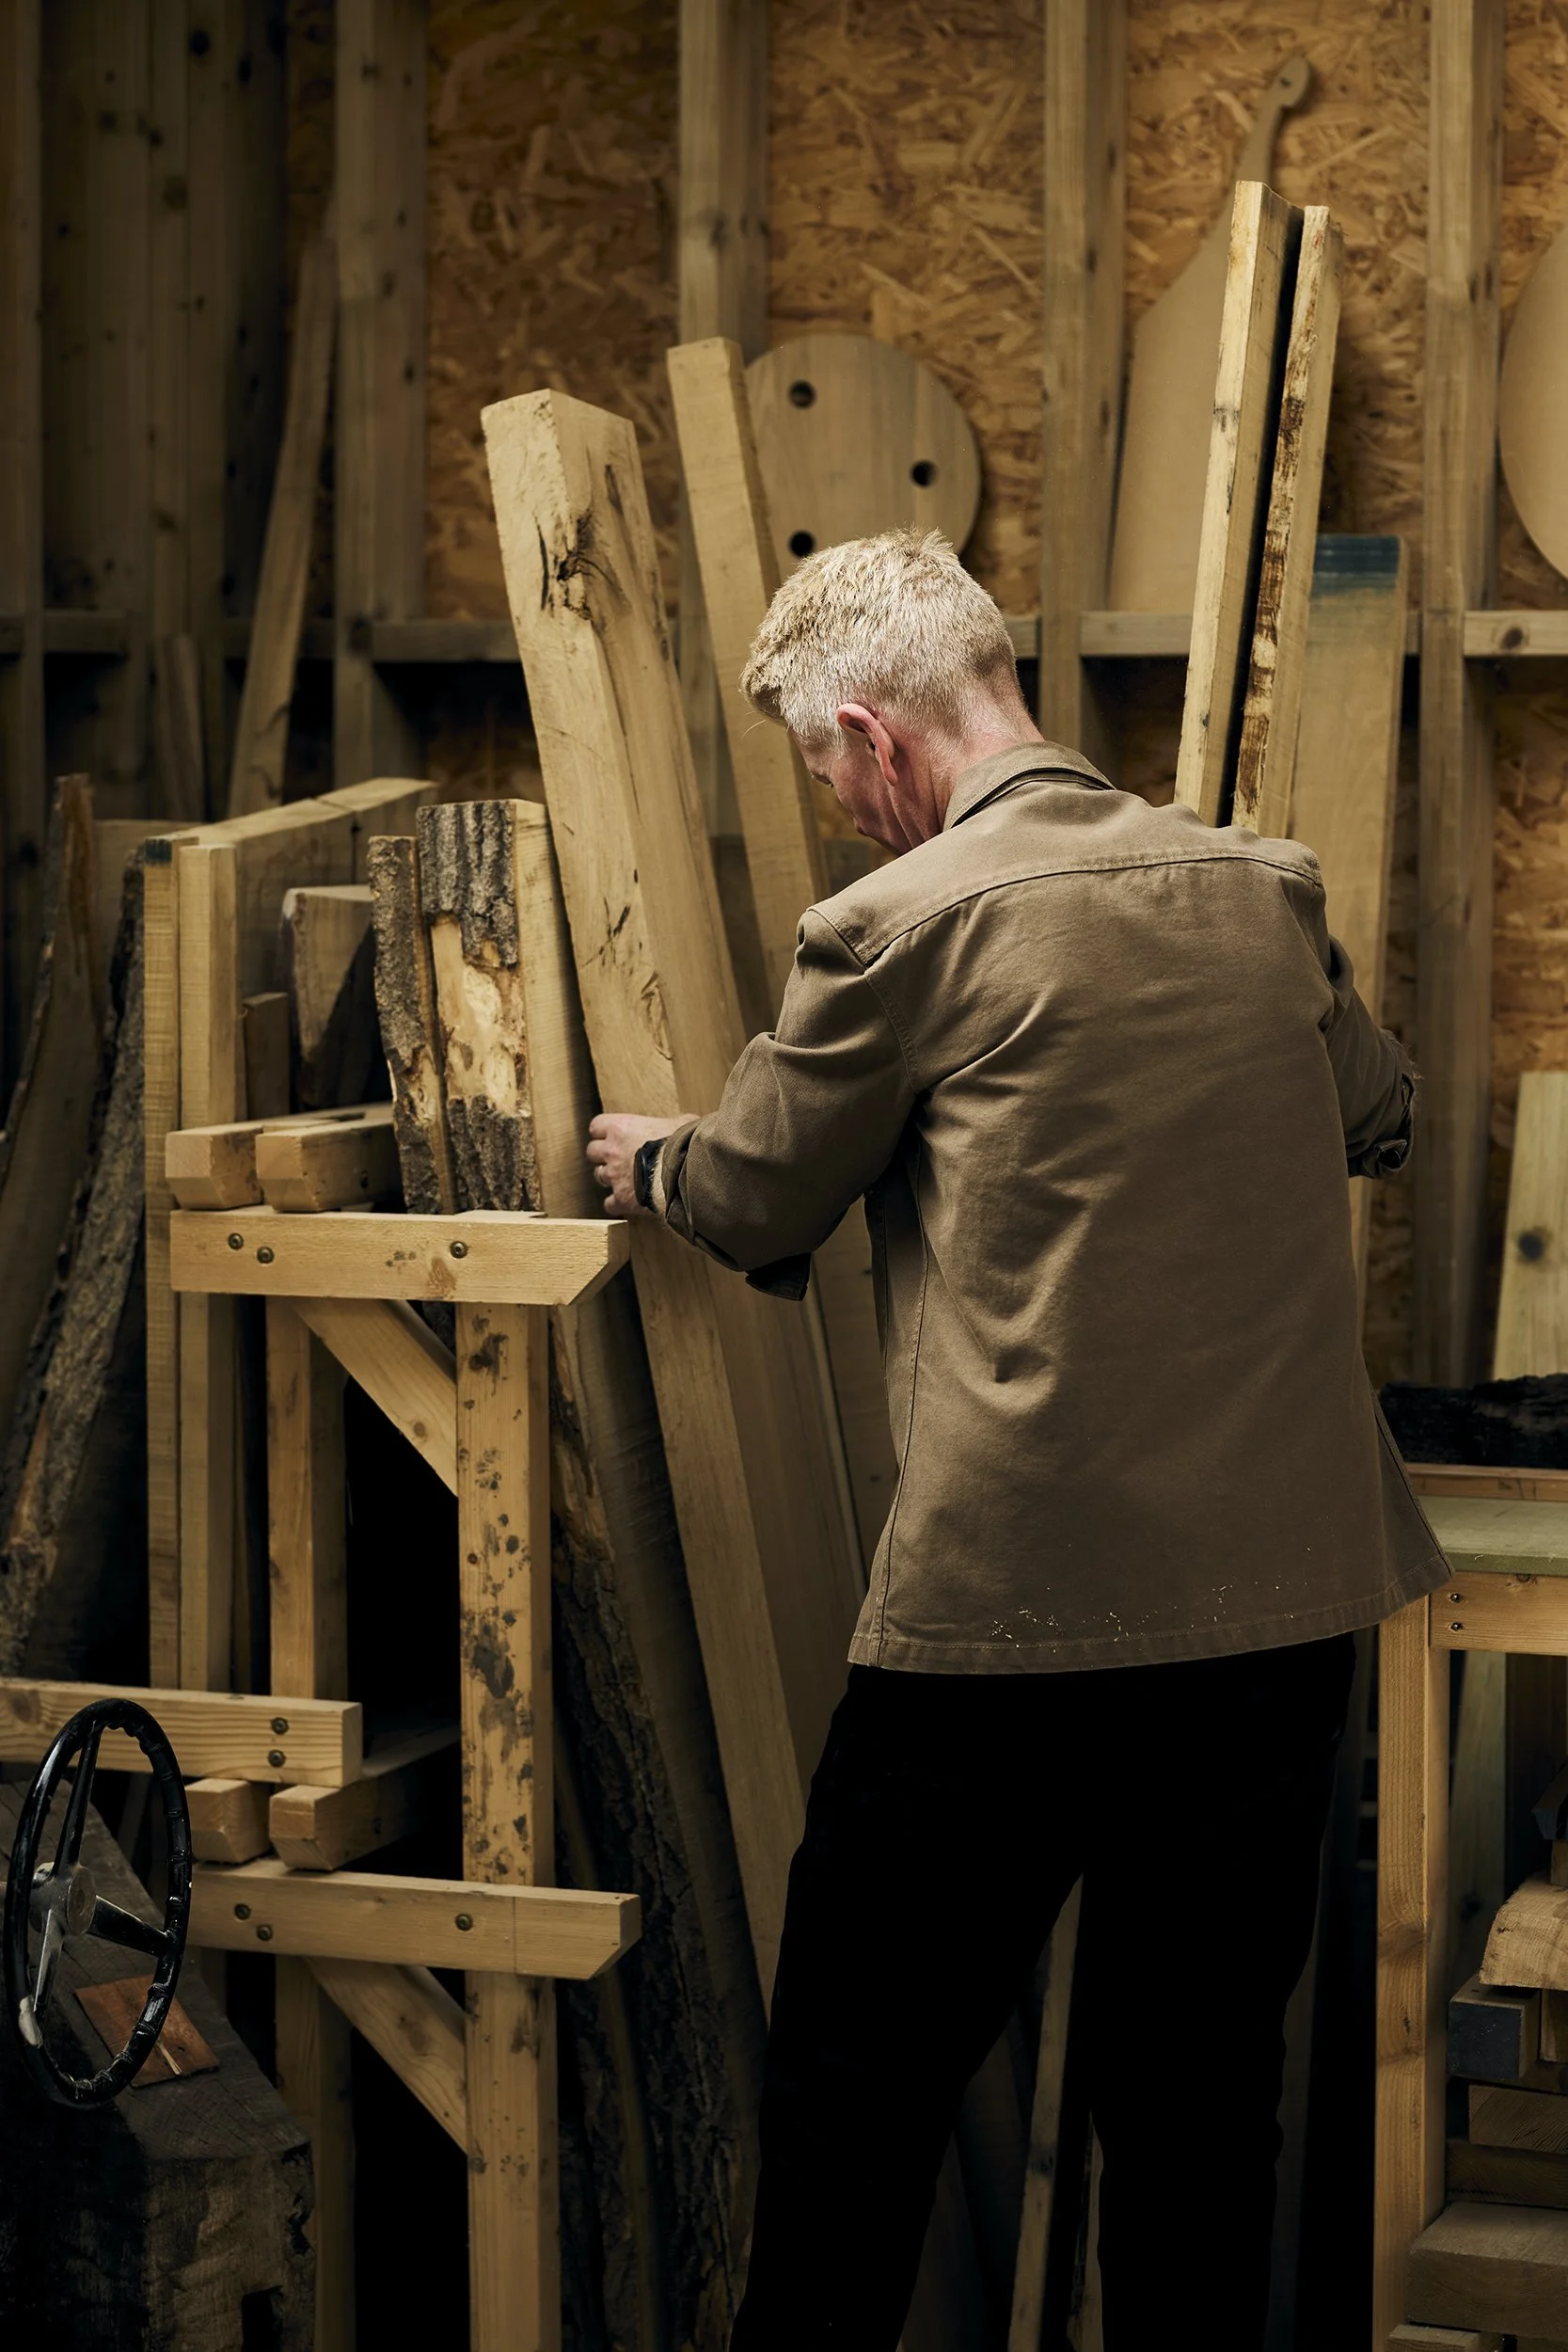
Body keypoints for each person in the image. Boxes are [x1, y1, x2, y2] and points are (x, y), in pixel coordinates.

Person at [586, 529, 1444, 2350]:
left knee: (848, 2104)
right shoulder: (1254, 886)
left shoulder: (893, 926)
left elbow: (749, 1193)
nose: (837, 814)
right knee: (1198, 2119)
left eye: (825, 775)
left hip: (1010, 1622)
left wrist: (651, 1156)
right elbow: (1376, 1116)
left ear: (867, 732)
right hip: (1277, 1619)